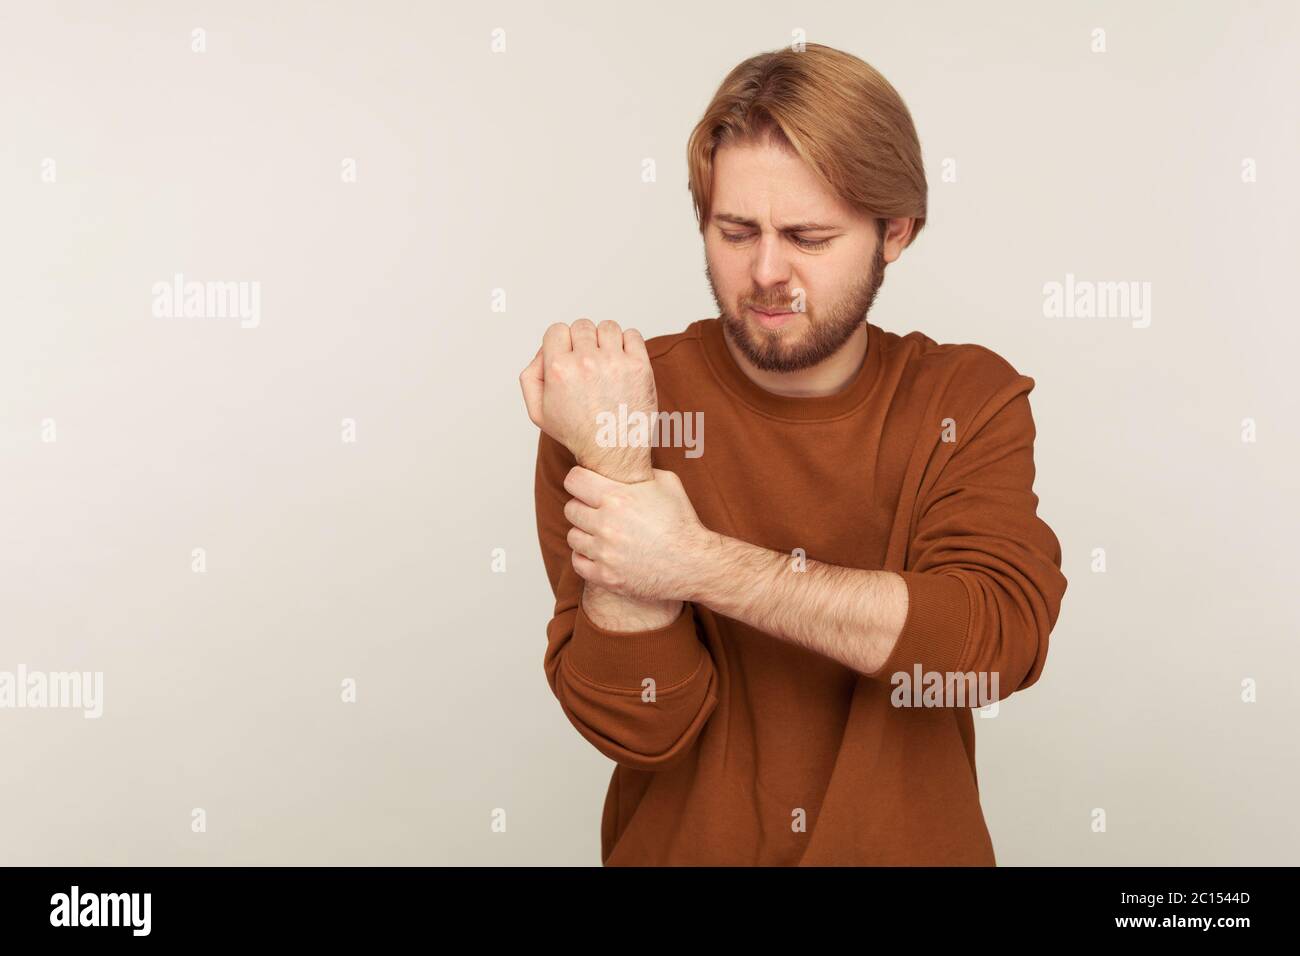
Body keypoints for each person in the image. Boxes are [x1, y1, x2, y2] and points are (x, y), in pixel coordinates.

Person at [518, 43, 1068, 865]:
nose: (766, 272)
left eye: (808, 236)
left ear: (895, 232)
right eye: (736, 231)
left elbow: (988, 649)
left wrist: (693, 561)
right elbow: (640, 725)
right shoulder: (613, 404)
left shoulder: (965, 399)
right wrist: (619, 465)